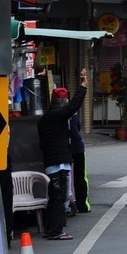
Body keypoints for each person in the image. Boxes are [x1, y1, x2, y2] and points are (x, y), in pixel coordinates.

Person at [38, 68, 88, 240]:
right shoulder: (57, 116)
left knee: (55, 197)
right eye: (65, 102)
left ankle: (50, 229)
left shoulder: (46, 118)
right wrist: (83, 86)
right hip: (58, 163)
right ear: (62, 102)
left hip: (52, 162)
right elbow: (74, 106)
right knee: (59, 197)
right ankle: (56, 231)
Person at [70, 113, 90, 213]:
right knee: (80, 177)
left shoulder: (53, 116)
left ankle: (68, 205)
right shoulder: (73, 116)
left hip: (63, 150)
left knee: (66, 179)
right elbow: (77, 128)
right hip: (77, 149)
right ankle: (83, 205)